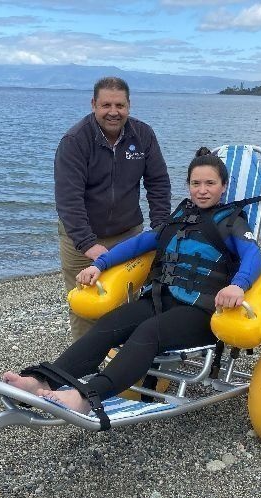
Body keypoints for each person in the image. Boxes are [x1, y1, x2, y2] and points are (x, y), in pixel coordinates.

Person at [5, 148, 261, 426]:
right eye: (195, 183)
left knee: (148, 332)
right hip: (159, 300)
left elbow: (254, 255)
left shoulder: (233, 221)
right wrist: (100, 264)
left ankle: (86, 397)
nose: (202, 190)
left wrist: (238, 285)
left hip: (201, 313)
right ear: (188, 186)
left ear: (223, 187)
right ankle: (42, 380)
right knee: (108, 325)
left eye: (210, 183)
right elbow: (140, 243)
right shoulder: (180, 217)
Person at [55, 76, 171, 341]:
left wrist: (161, 227)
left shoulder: (143, 135)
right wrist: (88, 244)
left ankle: (125, 360)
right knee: (86, 303)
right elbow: (67, 199)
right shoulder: (74, 141)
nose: (113, 112)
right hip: (80, 237)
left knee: (130, 299)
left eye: (120, 105)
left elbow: (158, 183)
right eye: (106, 105)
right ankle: (84, 369)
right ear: (93, 104)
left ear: (129, 105)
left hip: (128, 232)